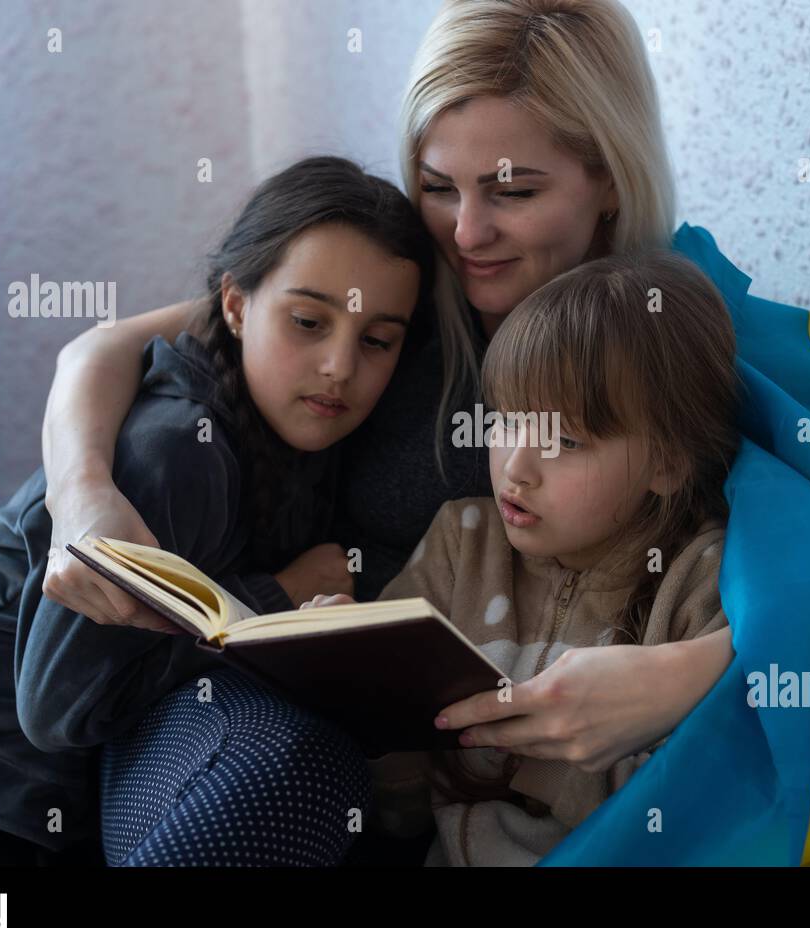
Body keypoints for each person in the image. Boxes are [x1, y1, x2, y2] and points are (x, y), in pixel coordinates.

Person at [40, 0, 738, 864]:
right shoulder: (391, 294)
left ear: (610, 181)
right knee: (288, 775)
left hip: (455, 764)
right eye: (440, 186)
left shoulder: (661, 324)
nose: (467, 232)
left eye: (513, 191)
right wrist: (81, 502)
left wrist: (682, 679)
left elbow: (794, 561)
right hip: (260, 686)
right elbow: (104, 346)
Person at [0, 156, 434, 865]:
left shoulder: (305, 429)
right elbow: (56, 708)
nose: (341, 366)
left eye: (377, 340)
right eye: (308, 321)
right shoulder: (181, 454)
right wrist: (272, 599)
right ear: (234, 305)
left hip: (15, 797)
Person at [305, 250, 743, 865]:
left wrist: (521, 760)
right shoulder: (463, 539)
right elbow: (397, 812)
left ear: (667, 463)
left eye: (565, 441)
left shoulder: (702, 580)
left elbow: (705, 816)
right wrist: (358, 704)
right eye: (508, 421)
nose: (516, 468)